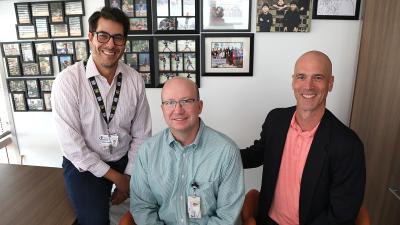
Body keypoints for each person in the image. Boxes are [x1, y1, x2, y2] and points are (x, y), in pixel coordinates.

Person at [51, 7, 151, 225]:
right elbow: (73, 148)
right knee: (95, 220)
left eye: (118, 38)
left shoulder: (134, 80)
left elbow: (142, 134)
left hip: (125, 159)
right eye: (103, 36)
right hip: (84, 165)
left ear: (124, 42)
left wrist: (130, 175)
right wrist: (119, 180)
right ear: (91, 37)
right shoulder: (68, 82)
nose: (110, 44)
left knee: (153, 208)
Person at [240, 51, 366, 225]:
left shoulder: (348, 144)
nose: (308, 85)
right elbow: (257, 154)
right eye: (301, 77)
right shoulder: (276, 119)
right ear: (293, 81)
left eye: (318, 77)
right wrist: (216, 153)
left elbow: (341, 214)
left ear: (330, 83)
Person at [131, 77, 244, 225]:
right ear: (163, 109)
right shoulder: (147, 151)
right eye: (170, 102)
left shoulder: (226, 151)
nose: (178, 110)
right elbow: (142, 208)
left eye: (186, 101)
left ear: (200, 106)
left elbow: (227, 216)